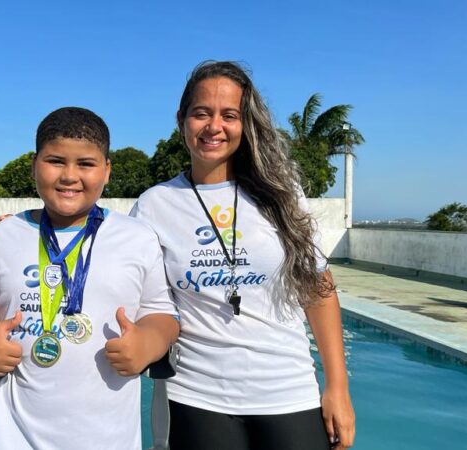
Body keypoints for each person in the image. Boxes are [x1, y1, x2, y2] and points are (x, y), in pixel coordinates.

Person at [131, 61, 356, 450]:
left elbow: (318, 289)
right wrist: (25, 227)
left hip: (287, 389)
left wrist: (338, 387)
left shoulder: (281, 194)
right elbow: (116, 264)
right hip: (198, 394)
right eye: (201, 113)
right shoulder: (155, 204)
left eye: (229, 115)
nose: (214, 126)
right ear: (181, 119)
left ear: (244, 123)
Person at [0, 107, 180, 449]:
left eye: (86, 164)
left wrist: (148, 344)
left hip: (109, 438)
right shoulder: (6, 234)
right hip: (13, 435)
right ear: (35, 164)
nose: (69, 176)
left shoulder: (137, 237)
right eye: (55, 161)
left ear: (107, 171)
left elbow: (162, 315)